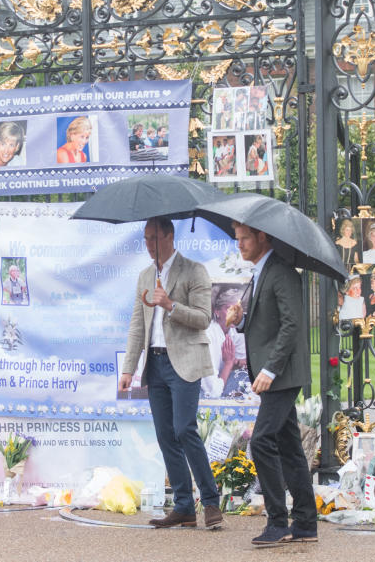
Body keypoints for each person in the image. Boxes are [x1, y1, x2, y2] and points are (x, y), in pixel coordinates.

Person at [119, 217, 222, 529]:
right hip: (156, 363)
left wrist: (170, 305)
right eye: (145, 239)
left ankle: (211, 502)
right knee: (165, 435)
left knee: (183, 429)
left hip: (185, 362)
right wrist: (128, 369)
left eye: (152, 238)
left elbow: (204, 318)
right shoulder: (145, 277)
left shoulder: (194, 271)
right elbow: (138, 325)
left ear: (168, 237)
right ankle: (183, 506)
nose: (148, 245)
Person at [224, 223, 316, 545]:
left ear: (263, 236)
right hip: (274, 375)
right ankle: (305, 523)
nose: (240, 245)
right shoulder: (261, 272)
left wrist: (271, 369)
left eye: (245, 238)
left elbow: (292, 325)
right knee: (290, 447)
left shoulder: (282, 271)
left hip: (282, 375)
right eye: (237, 239)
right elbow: (267, 324)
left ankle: (279, 522)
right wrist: (241, 321)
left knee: (261, 441)